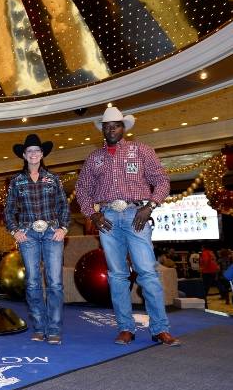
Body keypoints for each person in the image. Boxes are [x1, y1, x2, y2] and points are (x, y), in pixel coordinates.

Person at [75, 106, 180, 346]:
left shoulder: (142, 151)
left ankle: (160, 329)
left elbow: (162, 181)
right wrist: (93, 214)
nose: (111, 129)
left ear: (124, 128)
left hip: (137, 215)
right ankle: (125, 328)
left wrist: (150, 206)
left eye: (116, 125)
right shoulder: (94, 158)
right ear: (102, 129)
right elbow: (82, 190)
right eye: (107, 126)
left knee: (147, 273)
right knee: (117, 276)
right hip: (108, 218)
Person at [4, 134, 70, 345]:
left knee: (55, 283)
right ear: (24, 155)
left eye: (37, 151)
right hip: (28, 235)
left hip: (52, 233)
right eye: (29, 151)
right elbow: (9, 211)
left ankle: (54, 330)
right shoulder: (16, 181)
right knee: (32, 283)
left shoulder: (54, 179)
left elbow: (64, 207)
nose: (33, 154)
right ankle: (39, 328)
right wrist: (15, 231)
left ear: (42, 155)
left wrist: (63, 228)